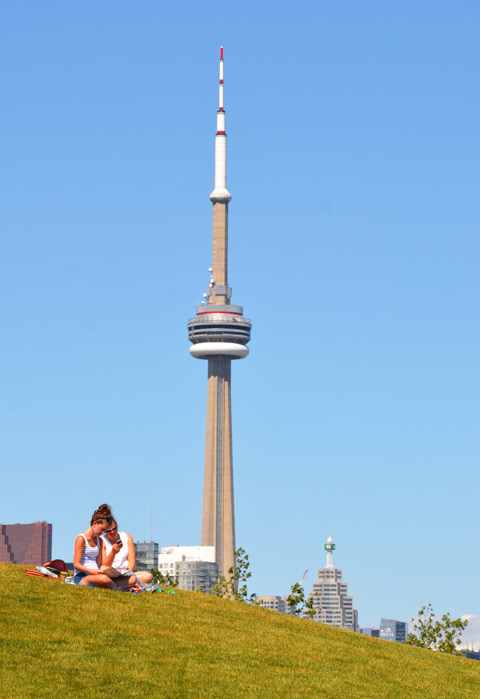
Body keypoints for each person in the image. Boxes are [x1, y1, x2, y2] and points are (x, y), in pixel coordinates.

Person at [73, 504, 118, 589]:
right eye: (102, 529)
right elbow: (76, 564)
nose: (103, 533)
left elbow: (100, 564)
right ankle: (118, 590)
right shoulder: (81, 539)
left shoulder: (99, 541)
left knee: (131, 579)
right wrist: (91, 571)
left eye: (105, 531)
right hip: (83, 576)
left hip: (96, 574)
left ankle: (117, 587)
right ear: (95, 523)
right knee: (104, 579)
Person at [100, 519, 153, 588]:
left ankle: (120, 584)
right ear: (104, 531)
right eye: (109, 530)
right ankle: (123, 584)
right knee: (132, 580)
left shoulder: (127, 537)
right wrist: (113, 553)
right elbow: (105, 566)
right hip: (111, 574)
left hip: (125, 573)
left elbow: (132, 560)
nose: (112, 532)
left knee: (147, 576)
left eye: (114, 528)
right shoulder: (102, 540)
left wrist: (128, 573)